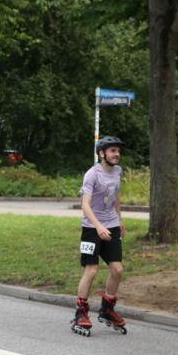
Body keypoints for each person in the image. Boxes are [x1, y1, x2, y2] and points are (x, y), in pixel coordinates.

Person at [71, 135, 127, 337]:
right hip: (91, 228)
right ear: (102, 153)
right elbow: (85, 205)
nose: (117, 154)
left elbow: (115, 197)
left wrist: (119, 221)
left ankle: (107, 309)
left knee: (117, 270)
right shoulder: (92, 174)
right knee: (91, 270)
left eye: (118, 151)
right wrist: (98, 227)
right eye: (113, 151)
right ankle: (81, 313)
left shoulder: (118, 171)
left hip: (111, 225)